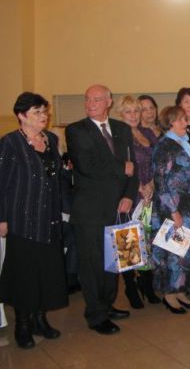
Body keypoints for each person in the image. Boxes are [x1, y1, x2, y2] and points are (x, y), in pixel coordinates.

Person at [66, 84, 138, 335]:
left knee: (113, 262)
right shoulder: (77, 130)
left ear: (109, 102)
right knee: (92, 265)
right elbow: (87, 164)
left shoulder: (121, 129)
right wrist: (121, 168)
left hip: (118, 208)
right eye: (87, 99)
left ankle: (107, 305)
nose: (91, 104)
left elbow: (133, 166)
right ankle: (96, 315)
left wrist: (129, 195)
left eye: (97, 99)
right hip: (90, 211)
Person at [0, 93, 68, 349]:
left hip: (49, 219)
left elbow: (55, 177)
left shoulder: (51, 139)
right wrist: (1, 218)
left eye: (44, 111)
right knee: (24, 275)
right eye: (37, 112)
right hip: (22, 219)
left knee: (46, 273)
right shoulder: (10, 143)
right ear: (21, 115)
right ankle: (23, 324)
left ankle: (40, 319)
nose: (44, 116)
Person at [151, 106, 190, 314]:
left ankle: (181, 291)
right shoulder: (164, 145)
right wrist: (173, 211)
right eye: (181, 120)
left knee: (184, 251)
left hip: (186, 204)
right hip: (171, 206)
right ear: (170, 123)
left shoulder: (182, 142)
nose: (186, 123)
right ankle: (169, 295)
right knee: (172, 252)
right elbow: (161, 182)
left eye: (185, 119)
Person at [117, 96, 160, 307]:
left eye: (137, 111)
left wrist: (151, 184)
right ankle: (130, 286)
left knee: (148, 240)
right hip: (129, 194)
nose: (134, 115)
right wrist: (138, 187)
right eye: (128, 111)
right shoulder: (117, 137)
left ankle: (146, 283)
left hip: (149, 194)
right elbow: (118, 169)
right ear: (120, 114)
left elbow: (157, 162)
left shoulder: (147, 133)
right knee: (129, 242)